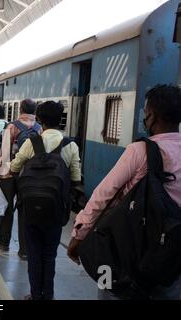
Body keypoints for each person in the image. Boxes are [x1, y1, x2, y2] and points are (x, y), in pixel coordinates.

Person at [67, 84, 181, 300]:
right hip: (173, 256)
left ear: (152, 117)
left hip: (128, 248)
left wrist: (79, 233)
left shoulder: (139, 151)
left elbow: (104, 194)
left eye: (145, 113)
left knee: (110, 291)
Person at [9, 101, 81, 300]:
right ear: (61, 121)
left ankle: (34, 294)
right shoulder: (71, 145)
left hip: (30, 209)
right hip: (56, 209)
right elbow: (76, 178)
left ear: (39, 120)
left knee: (34, 253)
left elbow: (14, 168)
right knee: (50, 254)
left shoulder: (31, 143)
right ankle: (47, 295)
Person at [0, 99, 42, 260]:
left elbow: (4, 153)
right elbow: (39, 154)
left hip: (9, 174)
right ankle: (25, 250)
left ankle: (4, 242)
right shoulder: (39, 129)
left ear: (20, 110)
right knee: (25, 212)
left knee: (6, 209)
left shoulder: (12, 126)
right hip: (28, 177)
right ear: (35, 111)